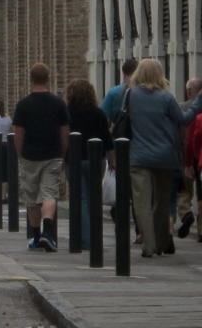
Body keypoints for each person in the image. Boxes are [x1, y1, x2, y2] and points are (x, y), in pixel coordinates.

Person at [128, 59, 202, 258]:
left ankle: (148, 244)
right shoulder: (166, 98)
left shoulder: (130, 95)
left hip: (139, 156)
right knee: (161, 202)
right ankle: (160, 243)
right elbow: (184, 119)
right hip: (165, 156)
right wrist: (198, 103)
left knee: (141, 202)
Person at [13, 63, 69, 252]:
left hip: (30, 155)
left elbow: (18, 132)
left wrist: (20, 153)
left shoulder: (23, 105)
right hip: (52, 154)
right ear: (48, 78)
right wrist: (62, 152)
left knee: (31, 197)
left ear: (31, 79)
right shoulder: (58, 103)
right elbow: (65, 131)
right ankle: (48, 232)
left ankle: (36, 236)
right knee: (49, 194)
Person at [65, 79, 113, 250]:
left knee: (81, 198)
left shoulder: (67, 113)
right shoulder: (98, 113)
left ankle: (85, 239)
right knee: (93, 198)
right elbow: (108, 140)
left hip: (74, 160)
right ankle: (94, 236)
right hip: (96, 160)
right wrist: (113, 161)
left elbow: (63, 137)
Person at [176, 78, 202, 240]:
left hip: (188, 152)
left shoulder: (183, 108)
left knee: (184, 190)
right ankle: (200, 228)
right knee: (200, 194)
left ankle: (185, 213)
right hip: (198, 155)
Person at [102, 57, 139, 129]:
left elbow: (103, 117)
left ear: (124, 75)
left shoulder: (113, 92)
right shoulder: (147, 93)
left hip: (121, 133)